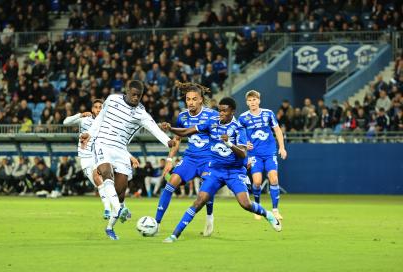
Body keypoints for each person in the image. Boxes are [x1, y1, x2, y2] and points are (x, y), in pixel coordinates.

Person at [160, 97, 282, 242]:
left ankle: (267, 214)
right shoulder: (211, 123)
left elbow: (243, 153)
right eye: (220, 110)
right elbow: (186, 132)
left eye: (225, 110)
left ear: (232, 111)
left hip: (234, 171)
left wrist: (229, 143)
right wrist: (171, 128)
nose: (221, 113)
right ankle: (174, 235)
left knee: (245, 204)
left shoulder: (238, 128)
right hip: (216, 170)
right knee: (199, 202)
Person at [80, 80, 174, 240]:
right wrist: (90, 134)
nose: (136, 98)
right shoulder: (112, 100)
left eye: (139, 95)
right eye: (133, 94)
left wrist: (168, 142)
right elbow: (100, 118)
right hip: (102, 143)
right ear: (126, 92)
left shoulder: (141, 113)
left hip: (121, 150)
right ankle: (119, 209)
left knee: (120, 191)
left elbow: (153, 128)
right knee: (106, 174)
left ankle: (110, 226)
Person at [154, 81, 219, 237]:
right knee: (171, 184)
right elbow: (177, 140)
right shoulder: (182, 116)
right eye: (188, 99)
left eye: (194, 99)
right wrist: (169, 160)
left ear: (200, 100)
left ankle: (209, 218)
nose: (190, 102)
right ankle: (156, 224)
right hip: (190, 158)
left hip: (208, 159)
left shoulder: (212, 115)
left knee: (206, 189)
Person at [64, 99, 140, 218]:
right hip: (86, 158)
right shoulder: (85, 120)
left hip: (101, 156)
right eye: (96, 107)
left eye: (101, 107)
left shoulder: (108, 124)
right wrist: (80, 114)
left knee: (106, 180)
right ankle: (121, 207)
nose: (98, 109)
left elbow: (117, 144)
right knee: (101, 184)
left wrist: (130, 156)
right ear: (92, 109)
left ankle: (109, 210)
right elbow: (65, 122)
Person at [238, 90, 287, 220]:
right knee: (257, 182)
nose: (252, 102)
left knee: (274, 179)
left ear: (259, 100)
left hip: (269, 152)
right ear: (247, 102)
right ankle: (258, 207)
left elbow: (277, 130)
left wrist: (282, 147)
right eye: (250, 100)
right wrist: (244, 144)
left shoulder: (268, 113)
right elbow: (239, 135)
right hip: (254, 154)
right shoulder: (243, 118)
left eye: (254, 100)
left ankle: (275, 210)